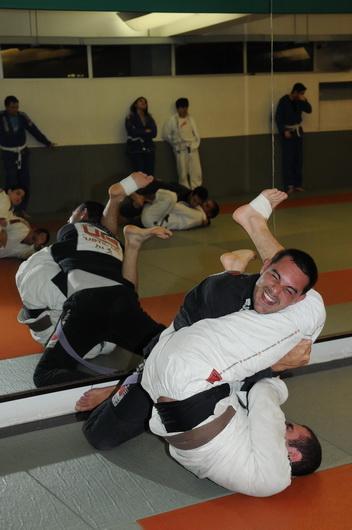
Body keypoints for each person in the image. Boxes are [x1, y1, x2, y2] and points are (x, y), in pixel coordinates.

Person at [80, 189, 325, 478]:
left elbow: (300, 294)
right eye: (273, 277)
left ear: (297, 299)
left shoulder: (293, 309)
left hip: (214, 374)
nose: (276, 292)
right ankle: (247, 232)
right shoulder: (219, 297)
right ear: (264, 269)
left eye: (290, 291)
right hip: (175, 357)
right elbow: (179, 364)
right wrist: (275, 366)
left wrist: (272, 368)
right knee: (101, 435)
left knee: (306, 311)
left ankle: (241, 247)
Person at [29, 172, 172, 388]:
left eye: (72, 214)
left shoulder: (72, 230)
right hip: (123, 300)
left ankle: (107, 388)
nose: (70, 218)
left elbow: (100, 229)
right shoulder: (114, 246)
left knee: (44, 375)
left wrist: (115, 198)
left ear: (83, 214)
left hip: (88, 304)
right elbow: (130, 288)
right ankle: (133, 242)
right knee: (169, 349)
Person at [0, 95, 54, 213]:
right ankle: (9, 210)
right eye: (12, 107)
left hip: (23, 153)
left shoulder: (22, 116)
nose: (15, 110)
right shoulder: (1, 117)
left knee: (25, 182)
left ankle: (22, 209)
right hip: (8, 154)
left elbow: (33, 130)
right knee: (11, 183)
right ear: (6, 107)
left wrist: (46, 142)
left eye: (17, 107)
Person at [121, 188, 219, 231]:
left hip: (153, 220)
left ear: (209, 214)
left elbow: (176, 207)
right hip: (154, 220)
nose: (203, 204)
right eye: (206, 202)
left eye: (207, 206)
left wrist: (153, 200)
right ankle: (139, 199)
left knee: (171, 197)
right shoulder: (199, 217)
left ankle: (138, 196)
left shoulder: (198, 216)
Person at [275, 83, 312, 193]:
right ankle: (289, 184)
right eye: (301, 93)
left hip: (298, 132)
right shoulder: (284, 101)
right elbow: (278, 117)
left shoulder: (300, 101)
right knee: (288, 159)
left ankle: (297, 184)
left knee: (298, 159)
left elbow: (309, 110)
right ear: (295, 92)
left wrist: (304, 100)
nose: (302, 95)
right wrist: (284, 130)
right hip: (288, 132)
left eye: (303, 94)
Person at [163, 98, 202, 189]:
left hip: (192, 148)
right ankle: (185, 192)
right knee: (183, 173)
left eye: (185, 107)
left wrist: (194, 146)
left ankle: (197, 190)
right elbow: (166, 135)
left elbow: (197, 135)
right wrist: (175, 145)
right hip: (180, 150)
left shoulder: (191, 119)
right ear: (177, 108)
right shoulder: (172, 120)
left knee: (196, 172)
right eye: (182, 107)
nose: (184, 110)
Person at [125, 97, 157, 175]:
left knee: (150, 173)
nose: (143, 103)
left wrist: (140, 131)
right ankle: (141, 188)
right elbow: (132, 132)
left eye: (145, 102)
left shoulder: (149, 117)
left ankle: (150, 187)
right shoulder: (130, 117)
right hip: (136, 149)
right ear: (135, 104)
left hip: (149, 148)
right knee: (140, 173)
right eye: (141, 101)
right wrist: (146, 131)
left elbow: (154, 133)